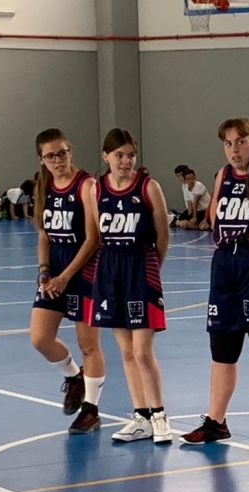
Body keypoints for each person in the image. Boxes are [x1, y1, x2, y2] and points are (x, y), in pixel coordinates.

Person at [181, 118, 249, 452]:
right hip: (225, 264)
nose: (234, 149)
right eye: (228, 143)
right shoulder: (222, 175)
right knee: (222, 350)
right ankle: (216, 421)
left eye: (241, 142)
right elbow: (214, 215)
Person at [87, 128, 174, 444]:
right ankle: (141, 417)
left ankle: (160, 415)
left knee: (142, 351)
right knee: (125, 351)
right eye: (119, 155)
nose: (125, 161)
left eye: (131, 155)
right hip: (110, 269)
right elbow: (97, 234)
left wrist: (151, 270)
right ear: (106, 156)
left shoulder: (149, 187)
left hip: (140, 267)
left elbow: (163, 236)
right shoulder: (96, 189)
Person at [28, 128, 104, 434]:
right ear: (41, 160)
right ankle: (74, 377)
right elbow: (44, 235)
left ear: (70, 152)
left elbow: (93, 239)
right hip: (56, 270)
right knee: (40, 338)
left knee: (89, 344)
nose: (58, 160)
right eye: (51, 156)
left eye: (62, 153)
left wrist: (65, 276)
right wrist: (44, 270)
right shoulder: (44, 187)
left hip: (83, 271)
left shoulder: (86, 185)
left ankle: (91, 410)